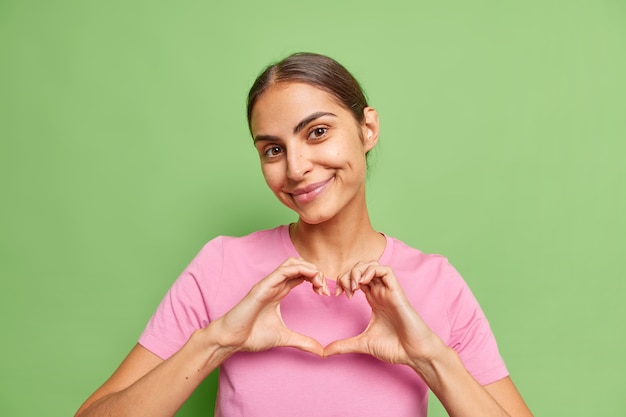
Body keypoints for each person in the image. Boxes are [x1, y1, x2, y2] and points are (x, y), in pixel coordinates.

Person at [75, 52, 533, 417]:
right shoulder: (221, 266)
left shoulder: (435, 282)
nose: (295, 168)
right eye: (273, 149)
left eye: (316, 132)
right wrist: (218, 341)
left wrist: (430, 357)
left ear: (367, 128)